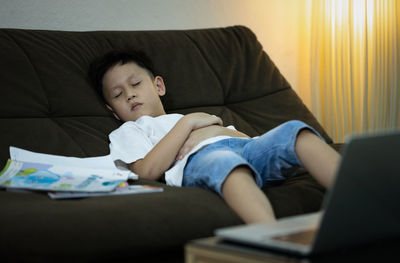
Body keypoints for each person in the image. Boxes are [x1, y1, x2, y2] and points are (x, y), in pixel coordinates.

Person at [88, 50, 341, 224]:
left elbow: (246, 140)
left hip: (243, 146)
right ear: (113, 111)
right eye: (118, 94)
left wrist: (208, 130)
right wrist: (188, 124)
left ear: (158, 86)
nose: (130, 95)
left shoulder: (186, 118)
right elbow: (145, 171)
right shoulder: (131, 130)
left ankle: (360, 200)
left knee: (294, 131)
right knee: (224, 161)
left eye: (135, 84)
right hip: (203, 162)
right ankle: (273, 242)